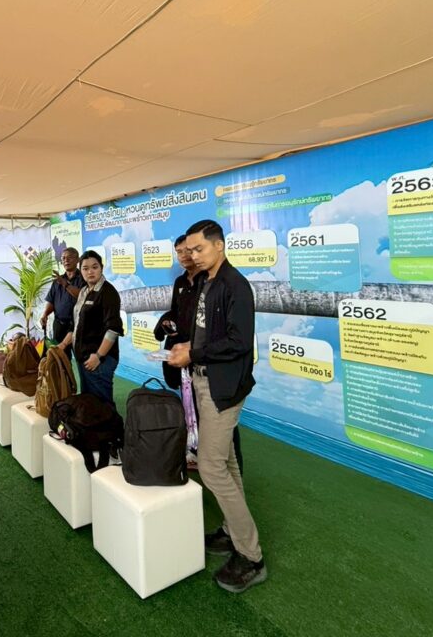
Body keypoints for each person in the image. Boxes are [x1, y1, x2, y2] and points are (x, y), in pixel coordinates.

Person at [168, 219, 265, 594]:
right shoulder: (206, 281)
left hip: (223, 388)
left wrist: (194, 353)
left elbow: (239, 342)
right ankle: (231, 529)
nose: (193, 255)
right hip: (204, 379)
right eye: (189, 250)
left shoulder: (235, 285)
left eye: (199, 249)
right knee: (226, 462)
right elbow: (208, 333)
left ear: (220, 245)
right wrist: (187, 348)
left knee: (210, 467)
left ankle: (251, 556)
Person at [155, 235, 244, 474]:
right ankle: (196, 453)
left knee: (219, 420)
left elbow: (228, 333)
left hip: (209, 361)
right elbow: (176, 312)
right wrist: (165, 324)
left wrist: (195, 348)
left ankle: (228, 467)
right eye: (179, 252)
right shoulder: (180, 281)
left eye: (190, 250)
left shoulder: (214, 281)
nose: (185, 256)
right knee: (191, 407)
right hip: (185, 358)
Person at [58, 250, 124, 407]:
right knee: (89, 404)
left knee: (102, 406)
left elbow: (113, 329)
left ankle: (111, 424)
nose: (90, 272)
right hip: (83, 358)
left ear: (101, 268)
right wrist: (63, 345)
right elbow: (76, 324)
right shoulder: (84, 291)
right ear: (81, 271)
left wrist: (98, 356)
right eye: (85, 268)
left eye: (94, 267)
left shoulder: (108, 292)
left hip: (99, 360)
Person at [40, 247, 83, 359]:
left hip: (78, 326)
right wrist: (45, 314)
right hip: (59, 325)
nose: (66, 260)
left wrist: (65, 283)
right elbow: (51, 300)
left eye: (69, 257)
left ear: (77, 260)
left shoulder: (83, 278)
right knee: (60, 358)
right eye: (63, 258)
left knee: (82, 360)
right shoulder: (58, 280)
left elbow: (82, 296)